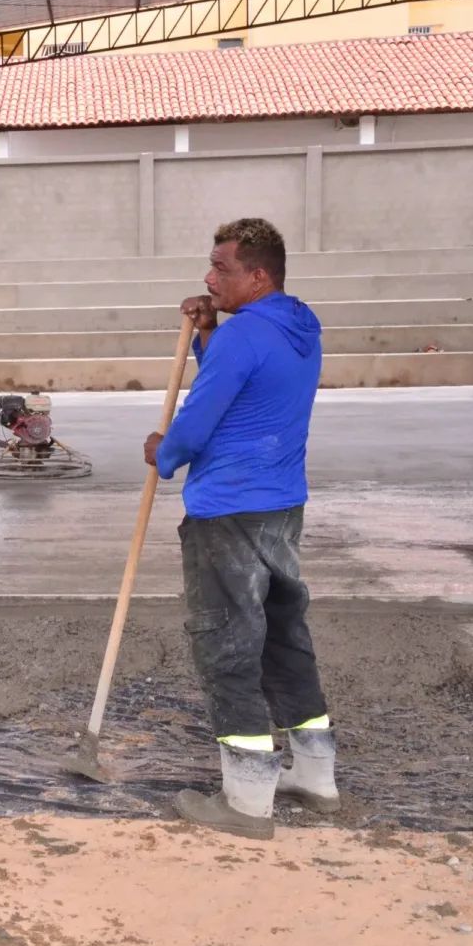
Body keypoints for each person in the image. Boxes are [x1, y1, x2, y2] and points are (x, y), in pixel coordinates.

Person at [143, 218, 337, 841]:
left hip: (227, 508)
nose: (208, 275)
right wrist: (208, 332)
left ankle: (248, 800)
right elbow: (250, 382)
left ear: (257, 275)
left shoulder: (244, 336)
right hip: (281, 504)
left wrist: (164, 451)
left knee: (227, 644)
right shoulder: (299, 325)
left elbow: (199, 420)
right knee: (283, 638)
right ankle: (316, 775)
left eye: (222, 267)